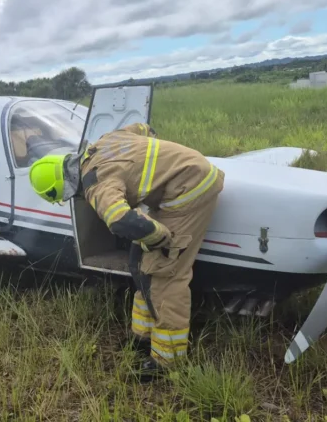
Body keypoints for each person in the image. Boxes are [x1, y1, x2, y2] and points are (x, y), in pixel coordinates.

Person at [27, 122, 224, 379]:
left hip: (189, 190)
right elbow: (145, 128)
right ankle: (143, 337)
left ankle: (168, 361)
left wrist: (160, 237)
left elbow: (120, 220)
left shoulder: (96, 186)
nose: (72, 198)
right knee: (140, 261)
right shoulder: (102, 143)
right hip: (180, 181)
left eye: (66, 195)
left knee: (164, 272)